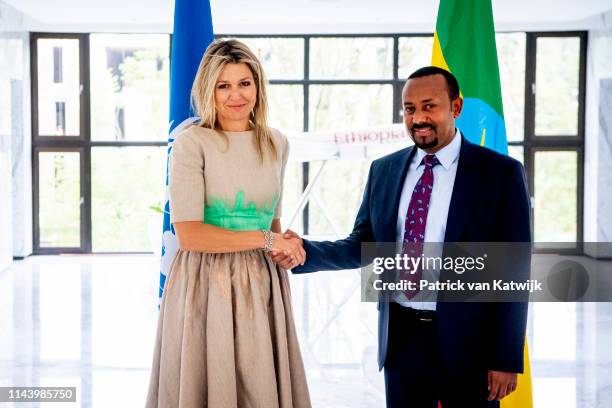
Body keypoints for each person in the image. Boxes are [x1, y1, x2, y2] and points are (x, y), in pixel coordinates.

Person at [272, 66, 531, 407]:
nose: (418, 117)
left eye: (429, 106)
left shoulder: (500, 173)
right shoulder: (384, 170)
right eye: (409, 109)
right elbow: (363, 245)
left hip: (470, 343)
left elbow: (513, 271)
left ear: (456, 107)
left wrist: (504, 357)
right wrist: (304, 250)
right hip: (402, 339)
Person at [146, 39, 311, 408]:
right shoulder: (191, 143)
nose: (236, 95)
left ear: (258, 87)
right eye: (224, 85)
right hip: (205, 283)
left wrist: (287, 245)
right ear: (209, 89)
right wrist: (268, 240)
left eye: (244, 83)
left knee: (259, 387)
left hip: (263, 283)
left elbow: (272, 220)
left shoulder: (277, 143)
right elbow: (189, 235)